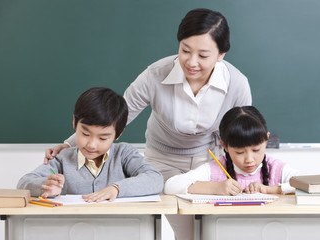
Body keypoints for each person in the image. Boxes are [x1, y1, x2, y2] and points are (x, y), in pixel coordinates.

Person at [42, 8, 251, 240]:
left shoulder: (237, 84)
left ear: (221, 54)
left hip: (210, 162)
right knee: (187, 232)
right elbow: (119, 115)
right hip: (163, 161)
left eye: (203, 56)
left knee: (215, 230)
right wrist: (68, 145)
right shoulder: (155, 75)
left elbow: (243, 135)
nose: (191, 62)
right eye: (185, 50)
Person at [17, 87, 163, 201]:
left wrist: (116, 189)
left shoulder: (124, 154)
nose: (92, 145)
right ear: (75, 123)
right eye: (85, 134)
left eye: (103, 138)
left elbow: (155, 179)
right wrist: (46, 185)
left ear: (118, 134)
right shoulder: (62, 159)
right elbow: (23, 183)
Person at [164, 106, 300, 196]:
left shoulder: (276, 169)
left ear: (267, 139)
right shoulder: (215, 169)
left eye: (256, 150)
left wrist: (268, 189)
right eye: (240, 152)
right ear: (225, 146)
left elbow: (313, 185)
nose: (249, 159)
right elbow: (171, 186)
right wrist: (216, 188)